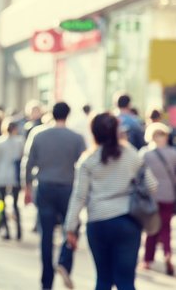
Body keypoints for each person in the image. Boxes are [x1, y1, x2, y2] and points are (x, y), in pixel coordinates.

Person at [65, 112, 158, 290]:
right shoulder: (130, 153)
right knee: (126, 281)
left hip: (97, 223)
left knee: (103, 280)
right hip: (128, 222)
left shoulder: (88, 160)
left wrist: (70, 228)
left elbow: (79, 197)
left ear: (93, 132)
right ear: (116, 130)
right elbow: (152, 185)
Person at [22, 102, 86, 290]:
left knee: (46, 234)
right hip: (67, 188)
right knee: (71, 227)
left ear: (51, 113)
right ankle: (64, 262)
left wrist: (26, 187)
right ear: (68, 114)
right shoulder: (76, 138)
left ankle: (46, 282)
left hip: (44, 187)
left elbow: (28, 163)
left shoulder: (39, 134)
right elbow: (84, 165)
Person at [140, 122, 176, 275]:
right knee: (166, 226)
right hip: (169, 195)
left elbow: (139, 175)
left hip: (151, 196)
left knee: (151, 228)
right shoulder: (173, 153)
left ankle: (148, 260)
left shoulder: (145, 154)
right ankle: (167, 253)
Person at [0, 119, 25, 240]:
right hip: (15, 176)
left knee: (2, 204)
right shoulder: (20, 141)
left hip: (1, 176)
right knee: (15, 204)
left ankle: (7, 230)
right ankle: (19, 230)